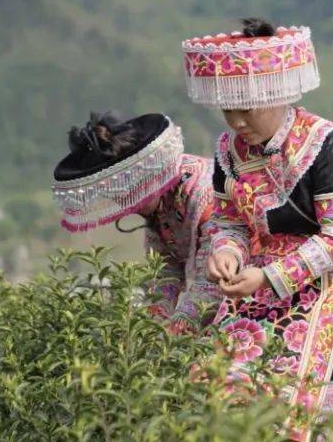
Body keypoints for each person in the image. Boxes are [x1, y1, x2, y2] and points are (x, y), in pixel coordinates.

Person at [183, 18, 333, 442]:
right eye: (229, 110)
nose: (237, 121)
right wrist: (228, 253)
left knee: (308, 417)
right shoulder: (227, 150)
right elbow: (228, 218)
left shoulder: (328, 144)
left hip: (331, 278)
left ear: (279, 94)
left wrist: (272, 278)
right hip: (257, 279)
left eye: (248, 109)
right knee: (220, 381)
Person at [52, 111, 220, 332]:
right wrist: (148, 326)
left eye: (127, 190)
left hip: (252, 286)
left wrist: (174, 331)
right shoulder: (156, 209)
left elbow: (212, 281)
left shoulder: (202, 191)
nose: (124, 201)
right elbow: (165, 271)